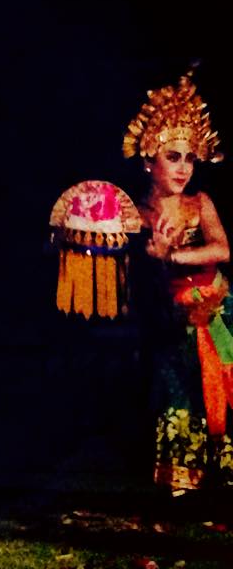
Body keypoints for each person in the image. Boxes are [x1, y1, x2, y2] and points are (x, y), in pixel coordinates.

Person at [124, 73, 233, 500]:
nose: (184, 167)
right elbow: (135, 273)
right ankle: (184, 479)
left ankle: (225, 473)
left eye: (189, 157)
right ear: (149, 161)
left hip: (219, 308)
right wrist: (154, 257)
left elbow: (222, 249)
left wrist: (173, 255)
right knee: (180, 389)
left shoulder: (199, 203)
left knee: (223, 384)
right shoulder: (137, 214)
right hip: (171, 318)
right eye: (173, 157)